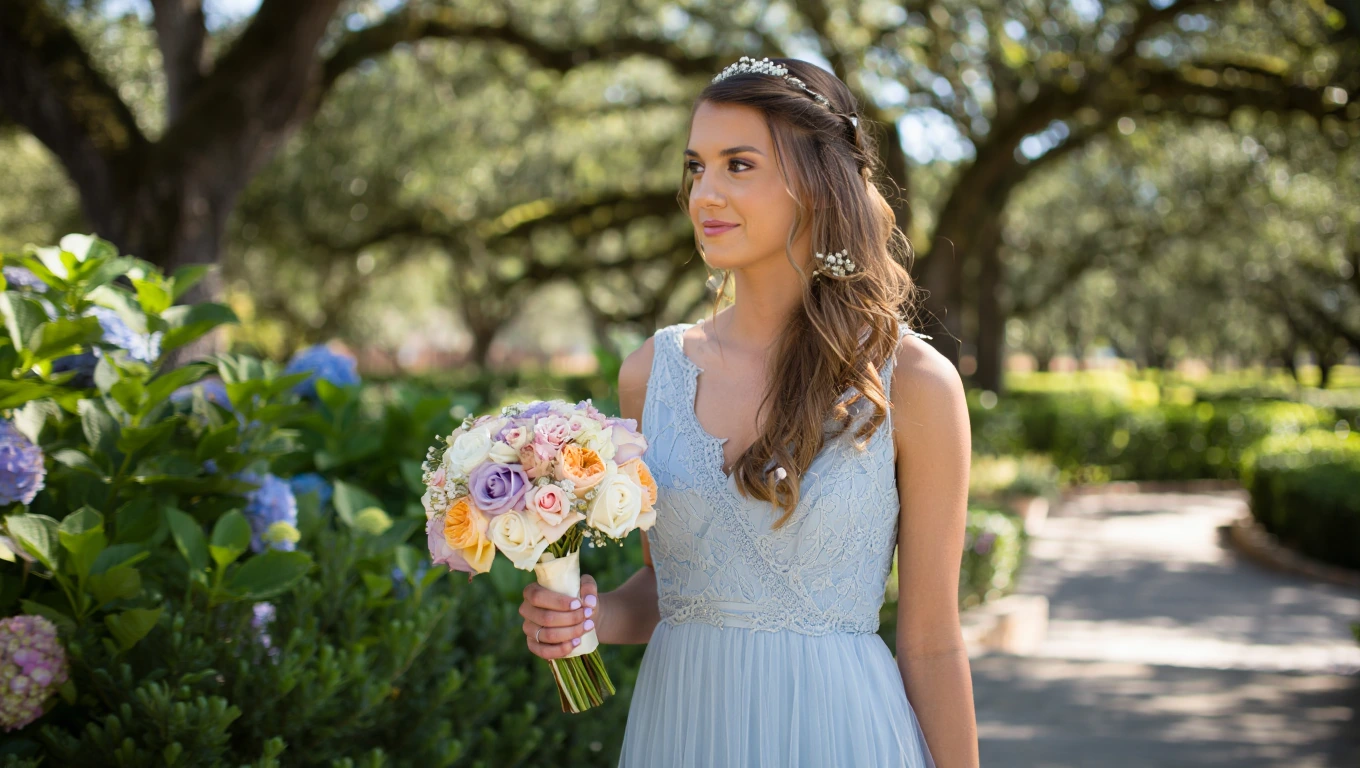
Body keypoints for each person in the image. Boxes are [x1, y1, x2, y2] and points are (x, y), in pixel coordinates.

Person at [518, 55, 979, 767]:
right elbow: (668, 588)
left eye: (738, 165)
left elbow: (932, 643)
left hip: (841, 737)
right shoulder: (652, 374)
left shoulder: (913, 383)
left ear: (817, 183)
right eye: (696, 167)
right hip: (684, 734)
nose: (705, 193)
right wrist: (589, 615)